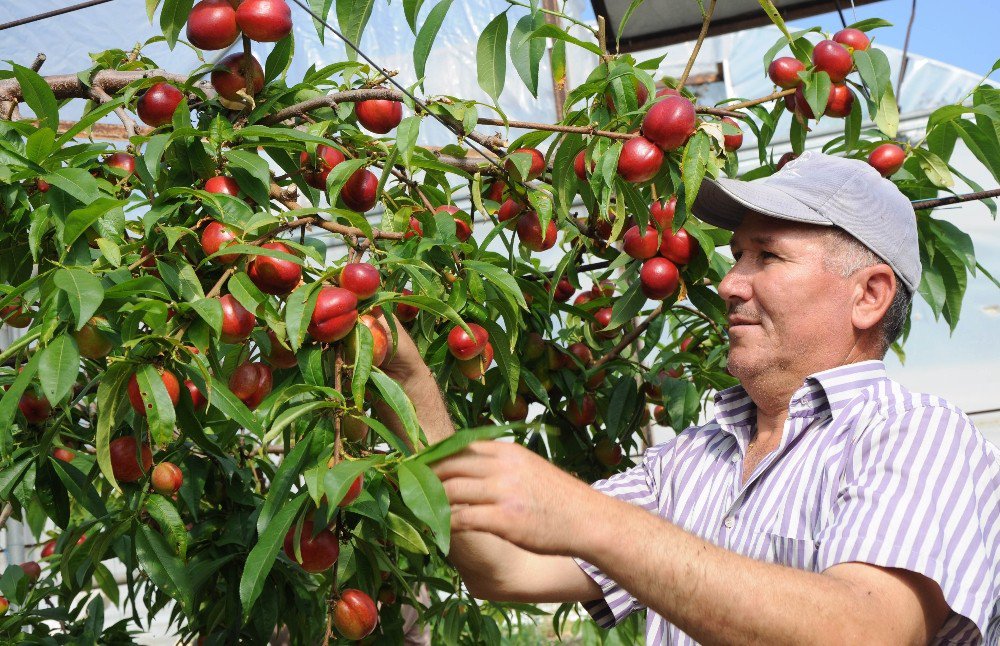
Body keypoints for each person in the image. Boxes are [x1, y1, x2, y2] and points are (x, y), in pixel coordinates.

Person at [374, 152, 1000, 644]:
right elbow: (506, 566)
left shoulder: (920, 437)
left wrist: (590, 518)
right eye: (736, 256)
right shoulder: (691, 460)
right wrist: (407, 387)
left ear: (869, 295)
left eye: (767, 256)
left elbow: (864, 633)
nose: (728, 282)